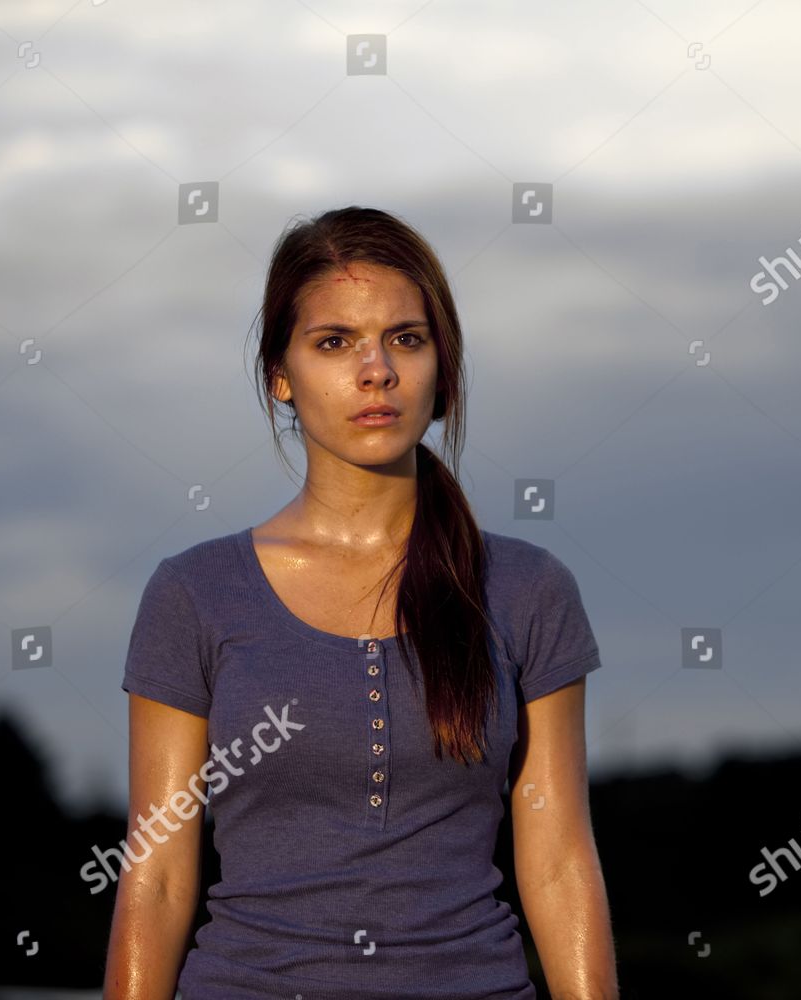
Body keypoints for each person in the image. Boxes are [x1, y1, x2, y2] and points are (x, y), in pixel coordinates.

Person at [102, 206, 619, 999]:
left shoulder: (527, 589)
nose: (375, 370)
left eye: (405, 339)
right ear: (280, 374)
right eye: (334, 342)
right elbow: (158, 879)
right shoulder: (195, 594)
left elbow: (556, 863)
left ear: (441, 369)